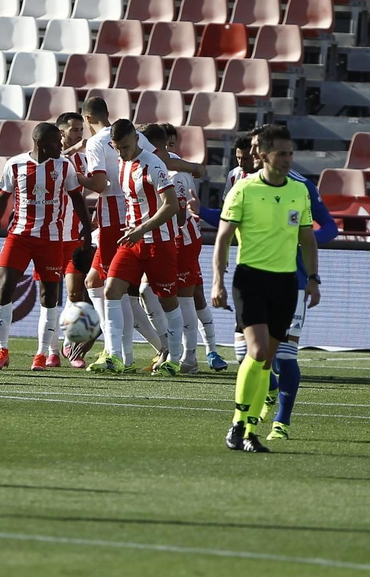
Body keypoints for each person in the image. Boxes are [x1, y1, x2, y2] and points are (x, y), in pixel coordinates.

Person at [201, 124, 335, 440]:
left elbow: (308, 239)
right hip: (251, 280)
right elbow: (223, 239)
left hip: (287, 284)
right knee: (258, 352)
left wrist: (313, 278)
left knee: (270, 358)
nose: (288, 159)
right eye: (281, 153)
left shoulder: (299, 190)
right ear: (263, 155)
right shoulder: (243, 189)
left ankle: (250, 430)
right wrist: (217, 281)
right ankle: (238, 422)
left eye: (290, 153)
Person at [0, 122, 93, 370]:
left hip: (51, 239)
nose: (59, 147)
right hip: (19, 236)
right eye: (55, 143)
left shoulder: (64, 166)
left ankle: (41, 354)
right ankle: (2, 350)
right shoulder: (15, 164)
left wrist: (86, 230)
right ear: (41, 144)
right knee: (5, 286)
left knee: (49, 297)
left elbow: (77, 198)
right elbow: (1, 199)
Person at [89, 120, 183, 376]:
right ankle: (115, 356)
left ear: (135, 140)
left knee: (168, 301)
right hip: (132, 243)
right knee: (111, 289)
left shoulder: (154, 165)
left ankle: (174, 360)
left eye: (126, 147)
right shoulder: (121, 164)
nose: (121, 153)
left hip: (160, 244)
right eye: (117, 148)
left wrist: (142, 228)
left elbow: (171, 205)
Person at [157, 124, 226, 375]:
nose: (170, 150)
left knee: (186, 297)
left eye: (172, 144)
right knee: (186, 295)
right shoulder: (164, 166)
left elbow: (177, 215)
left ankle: (189, 357)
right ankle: (176, 350)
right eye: (167, 144)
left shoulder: (174, 171)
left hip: (181, 239)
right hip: (174, 238)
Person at [55, 110, 105, 368]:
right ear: (60, 131)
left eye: (80, 130)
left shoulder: (83, 160)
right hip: (54, 233)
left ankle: (74, 348)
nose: (78, 134)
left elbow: (96, 187)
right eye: (74, 130)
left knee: (86, 293)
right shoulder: (53, 158)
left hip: (79, 233)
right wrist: (73, 149)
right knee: (69, 292)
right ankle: (58, 346)